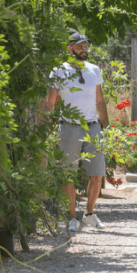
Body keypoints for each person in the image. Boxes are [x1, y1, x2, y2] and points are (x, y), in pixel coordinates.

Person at [44, 31, 110, 237]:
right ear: (69, 48)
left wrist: (104, 123)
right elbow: (50, 101)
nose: (84, 49)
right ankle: (72, 218)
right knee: (67, 174)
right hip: (69, 126)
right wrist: (47, 126)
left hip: (92, 127)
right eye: (80, 46)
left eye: (85, 46)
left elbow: (99, 100)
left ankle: (89, 214)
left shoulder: (94, 70)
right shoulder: (58, 71)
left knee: (97, 174)